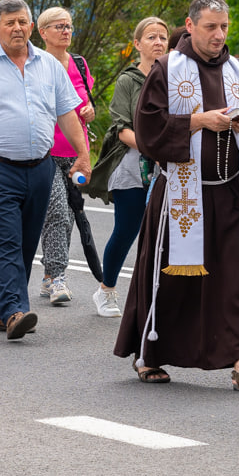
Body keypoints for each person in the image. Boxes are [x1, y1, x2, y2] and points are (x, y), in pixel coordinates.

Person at [114, 0, 239, 388]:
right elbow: (148, 131)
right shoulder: (167, 69)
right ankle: (148, 352)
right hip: (181, 196)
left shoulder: (238, 69)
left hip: (229, 191)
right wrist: (196, 121)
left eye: (225, 27)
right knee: (171, 280)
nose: (219, 35)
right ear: (190, 25)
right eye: (211, 27)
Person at [0, 0, 90, 341]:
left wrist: (83, 154)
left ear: (31, 26)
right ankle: (15, 311)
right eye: (9, 23)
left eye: (22, 21)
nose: (17, 28)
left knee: (26, 243)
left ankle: (0, 312)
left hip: (40, 167)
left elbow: (67, 112)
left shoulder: (49, 66)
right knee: (8, 240)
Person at [88, 17, 168, 317]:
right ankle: (106, 290)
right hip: (133, 166)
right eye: (151, 37)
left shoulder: (175, 78)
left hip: (169, 167)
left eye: (162, 37)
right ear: (137, 44)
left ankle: (155, 295)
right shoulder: (128, 80)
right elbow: (121, 129)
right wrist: (155, 150)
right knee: (127, 231)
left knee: (164, 235)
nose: (158, 42)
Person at [34, 7, 95, 306]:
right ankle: (58, 278)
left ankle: (48, 276)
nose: (66, 31)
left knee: (68, 216)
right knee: (57, 210)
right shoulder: (35, 64)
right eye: (59, 26)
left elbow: (86, 105)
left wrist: (89, 111)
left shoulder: (80, 64)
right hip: (44, 152)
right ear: (43, 32)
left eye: (69, 26)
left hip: (75, 154)